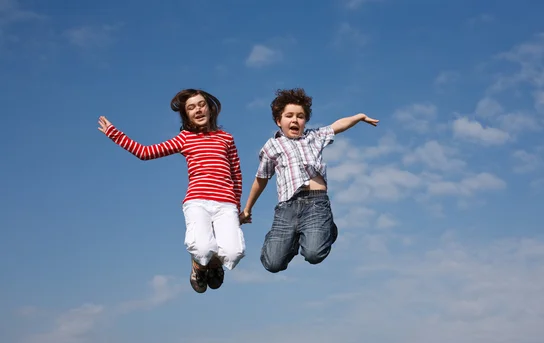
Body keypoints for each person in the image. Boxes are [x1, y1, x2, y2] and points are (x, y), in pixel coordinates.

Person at [97, 88, 245, 294]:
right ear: (187, 115)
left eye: (201, 104)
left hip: (225, 204)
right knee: (202, 249)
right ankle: (199, 265)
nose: (198, 110)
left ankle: (213, 265)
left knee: (234, 252)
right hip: (197, 201)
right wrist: (115, 134)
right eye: (191, 108)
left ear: (210, 108)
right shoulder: (185, 138)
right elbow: (145, 152)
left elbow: (236, 174)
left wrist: (238, 208)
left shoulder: (226, 138)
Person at [239, 88, 378, 273]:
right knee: (273, 264)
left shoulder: (314, 137)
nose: (295, 120)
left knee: (314, 255)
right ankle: (288, 237)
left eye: (300, 116)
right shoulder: (272, 146)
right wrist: (247, 209)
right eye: (289, 116)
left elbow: (338, 125)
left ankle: (326, 227)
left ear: (305, 121)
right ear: (279, 121)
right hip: (286, 207)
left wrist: (358, 117)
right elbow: (261, 179)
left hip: (316, 202)